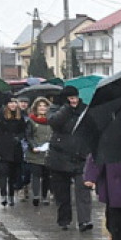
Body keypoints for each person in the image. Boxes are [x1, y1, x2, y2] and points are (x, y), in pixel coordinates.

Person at [46, 86, 91, 231]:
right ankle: (64, 220)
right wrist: (67, 108)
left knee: (83, 190)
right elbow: (54, 122)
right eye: (70, 97)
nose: (74, 100)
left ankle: (84, 221)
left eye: (75, 97)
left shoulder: (85, 109)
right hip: (59, 156)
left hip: (80, 155)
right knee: (62, 193)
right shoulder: (56, 109)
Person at [0, 95, 26, 207]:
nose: (13, 105)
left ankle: (11, 195)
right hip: (2, 147)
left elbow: (24, 130)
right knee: (3, 173)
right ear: (6, 104)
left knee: (13, 174)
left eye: (14, 103)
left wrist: (19, 137)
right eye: (10, 103)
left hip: (15, 148)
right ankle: (3, 195)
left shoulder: (19, 116)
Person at [25, 97, 52, 206]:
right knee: (36, 175)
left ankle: (45, 196)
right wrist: (33, 146)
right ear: (36, 107)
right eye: (40, 106)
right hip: (35, 153)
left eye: (44, 106)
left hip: (48, 152)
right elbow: (28, 135)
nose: (42, 108)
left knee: (47, 176)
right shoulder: (31, 120)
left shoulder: (52, 120)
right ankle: (36, 195)